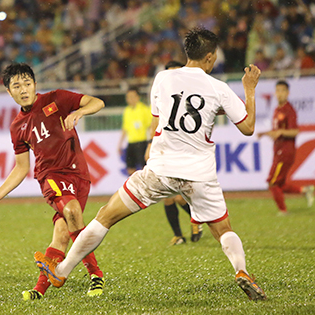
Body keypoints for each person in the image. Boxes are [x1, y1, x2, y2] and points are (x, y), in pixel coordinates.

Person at [35, 28, 267, 301]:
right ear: (210, 57)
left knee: (106, 216)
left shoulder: (164, 78)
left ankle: (62, 271)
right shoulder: (220, 89)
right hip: (199, 174)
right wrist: (249, 90)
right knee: (223, 229)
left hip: (160, 169)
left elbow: (160, 119)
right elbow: (248, 127)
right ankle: (241, 271)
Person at [0, 63, 105, 300]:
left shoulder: (57, 99)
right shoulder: (17, 127)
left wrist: (79, 112)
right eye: (16, 86)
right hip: (51, 177)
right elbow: (22, 167)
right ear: (9, 92)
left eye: (27, 83)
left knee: (62, 232)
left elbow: (97, 102)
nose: (23, 89)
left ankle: (40, 289)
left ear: (35, 84)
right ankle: (95, 274)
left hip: (80, 175)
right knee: (73, 211)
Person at [148, 60, 203, 246]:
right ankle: (179, 234)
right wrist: (150, 144)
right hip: (165, 149)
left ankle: (198, 219)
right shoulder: (161, 96)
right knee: (168, 197)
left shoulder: (192, 97)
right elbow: (155, 121)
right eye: (170, 73)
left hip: (185, 149)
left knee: (180, 195)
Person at [258, 80, 314, 215]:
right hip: (278, 151)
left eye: (282, 91)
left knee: (272, 182)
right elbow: (277, 131)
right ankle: (304, 190)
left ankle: (283, 210)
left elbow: (295, 131)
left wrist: (281, 132)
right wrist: (265, 133)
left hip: (286, 151)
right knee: (280, 183)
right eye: (277, 91)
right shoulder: (277, 110)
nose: (279, 94)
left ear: (288, 93)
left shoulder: (289, 110)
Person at [118, 87, 152, 175]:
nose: (130, 99)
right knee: (130, 168)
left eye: (132, 96)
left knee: (143, 168)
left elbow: (151, 126)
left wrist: (151, 142)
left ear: (138, 97)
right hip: (131, 143)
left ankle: (145, 188)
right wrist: (120, 143)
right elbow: (125, 128)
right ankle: (134, 187)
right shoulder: (127, 111)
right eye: (128, 97)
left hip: (142, 142)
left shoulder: (144, 109)